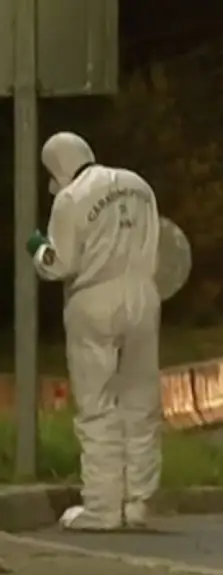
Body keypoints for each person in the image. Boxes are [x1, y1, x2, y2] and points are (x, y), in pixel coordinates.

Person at [25, 132, 162, 530]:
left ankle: (102, 507)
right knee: (141, 401)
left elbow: (58, 263)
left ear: (57, 166)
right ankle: (139, 502)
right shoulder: (139, 185)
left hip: (93, 299)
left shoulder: (69, 199)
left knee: (96, 404)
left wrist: (37, 245)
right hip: (142, 293)